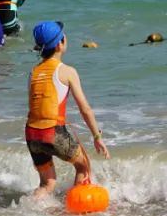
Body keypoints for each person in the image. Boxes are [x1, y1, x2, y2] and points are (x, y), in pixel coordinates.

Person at [25, 21, 109, 197]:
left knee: (47, 183)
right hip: (52, 132)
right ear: (59, 44)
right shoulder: (67, 71)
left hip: (32, 133)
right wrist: (97, 136)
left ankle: (30, 209)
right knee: (83, 166)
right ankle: (76, 211)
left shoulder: (34, 72)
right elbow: (85, 109)